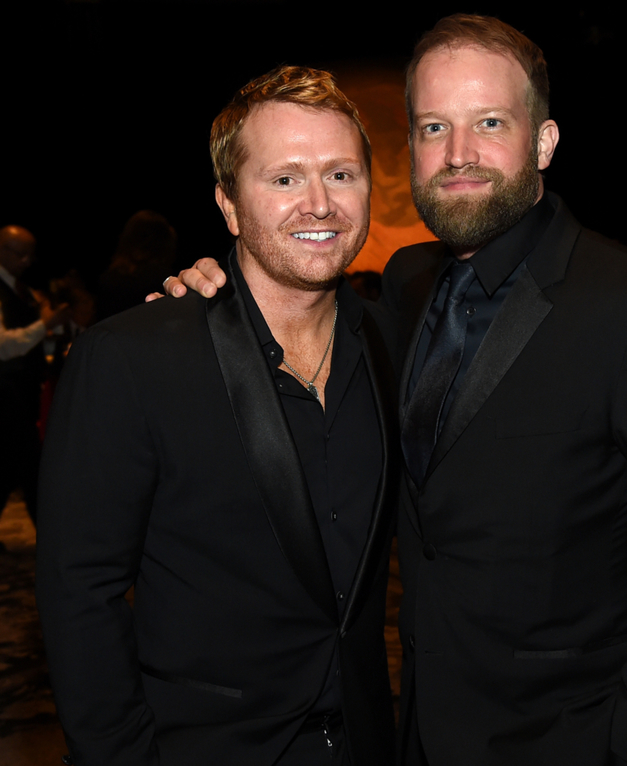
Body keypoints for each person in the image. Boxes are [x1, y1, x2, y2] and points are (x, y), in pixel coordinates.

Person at [166, 15, 627, 766]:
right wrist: (209, 296)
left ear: (543, 141)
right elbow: (290, 316)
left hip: (569, 740)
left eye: (489, 123)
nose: (459, 155)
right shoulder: (409, 284)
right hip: (416, 729)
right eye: (434, 127)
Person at [35, 66, 398, 766]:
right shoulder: (133, 358)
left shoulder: (394, 343)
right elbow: (81, 592)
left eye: (341, 175)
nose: (319, 203)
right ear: (229, 205)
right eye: (285, 178)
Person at [0, 225, 70, 528]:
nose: (28, 261)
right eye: (20, 254)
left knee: (10, 469)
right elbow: (3, 346)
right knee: (31, 467)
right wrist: (45, 324)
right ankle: (52, 538)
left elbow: (40, 343)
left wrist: (53, 332)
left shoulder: (25, 291)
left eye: (31, 255)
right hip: (4, 392)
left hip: (25, 390)